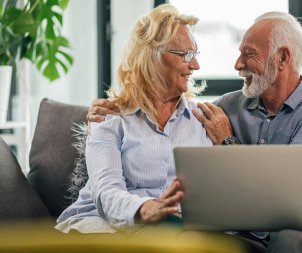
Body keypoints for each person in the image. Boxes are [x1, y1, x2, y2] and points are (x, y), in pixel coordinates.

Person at [87, 11, 302, 253]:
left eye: (249, 54)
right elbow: (173, 109)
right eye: (239, 53)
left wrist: (227, 141)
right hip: (253, 236)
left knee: (288, 241)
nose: (237, 64)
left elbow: (284, 190)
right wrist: (110, 107)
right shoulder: (230, 106)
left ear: (282, 57)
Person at [55, 4, 212, 233]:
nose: (195, 65)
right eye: (185, 54)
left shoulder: (203, 120)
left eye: (195, 54)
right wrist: (147, 209)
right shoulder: (109, 117)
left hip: (170, 229)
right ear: (152, 56)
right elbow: (106, 192)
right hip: (102, 223)